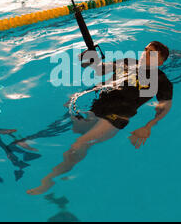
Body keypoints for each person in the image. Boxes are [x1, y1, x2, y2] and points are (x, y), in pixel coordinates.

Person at [27, 41, 173, 195]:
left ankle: (49, 180)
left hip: (115, 117)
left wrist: (148, 126)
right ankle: (57, 164)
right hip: (97, 106)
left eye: (151, 53)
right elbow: (100, 70)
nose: (145, 53)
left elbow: (165, 106)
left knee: (79, 145)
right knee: (72, 133)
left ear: (160, 61)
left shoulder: (161, 81)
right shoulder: (128, 62)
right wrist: (89, 60)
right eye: (145, 49)